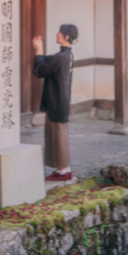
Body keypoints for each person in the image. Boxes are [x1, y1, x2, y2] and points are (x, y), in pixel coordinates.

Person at [32, 24, 78, 181]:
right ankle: (63, 168)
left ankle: (63, 170)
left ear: (66, 37)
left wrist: (38, 50)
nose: (57, 34)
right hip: (60, 100)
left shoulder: (61, 57)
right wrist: (41, 51)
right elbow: (49, 61)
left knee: (58, 136)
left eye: (60, 32)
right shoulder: (66, 55)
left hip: (56, 101)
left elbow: (40, 70)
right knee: (58, 135)